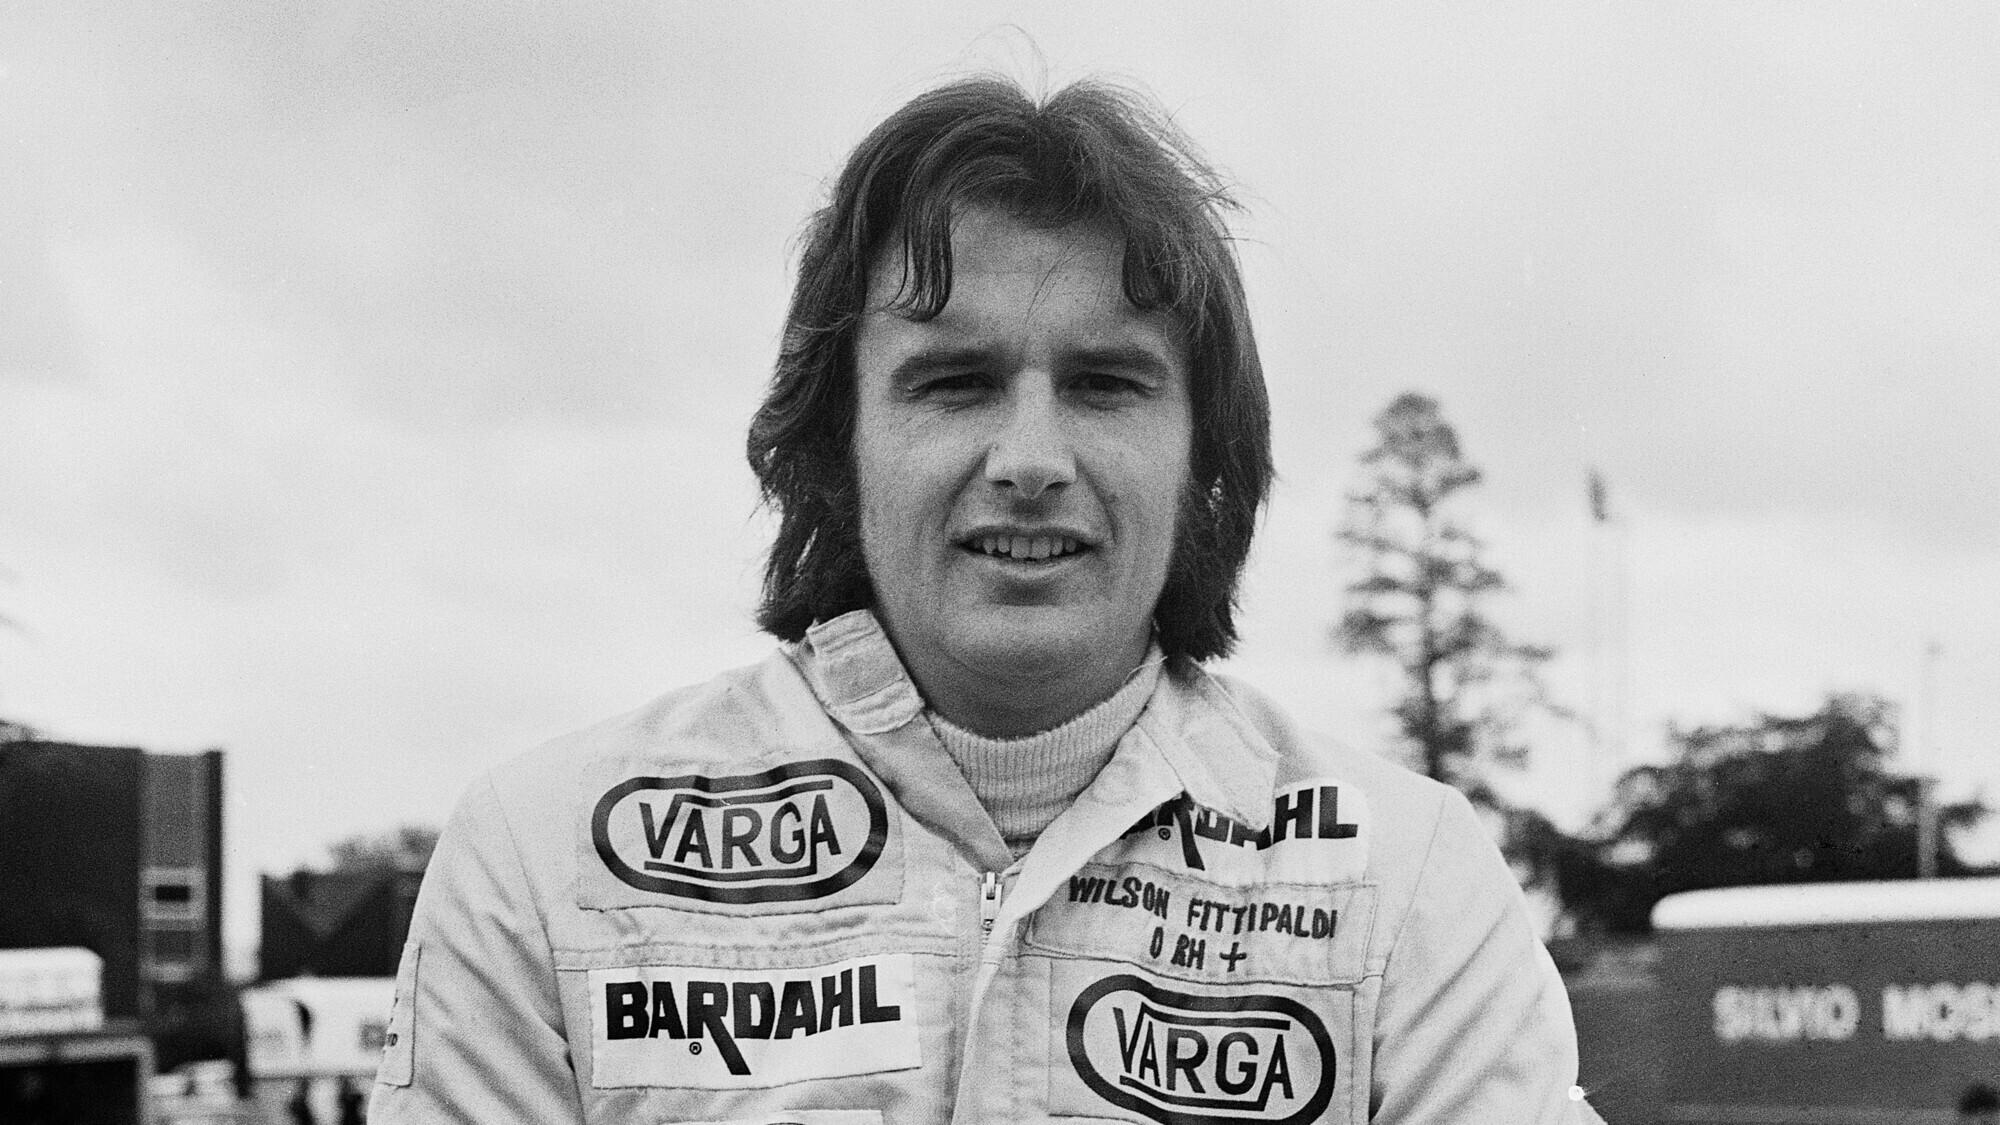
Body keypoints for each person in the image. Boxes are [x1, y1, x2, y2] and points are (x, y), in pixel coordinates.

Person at [370, 75, 1605, 1123]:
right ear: (834, 446)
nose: (1029, 459)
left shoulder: (1407, 886)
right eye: (953, 381)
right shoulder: (543, 861)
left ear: (1202, 459)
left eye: (1105, 383)